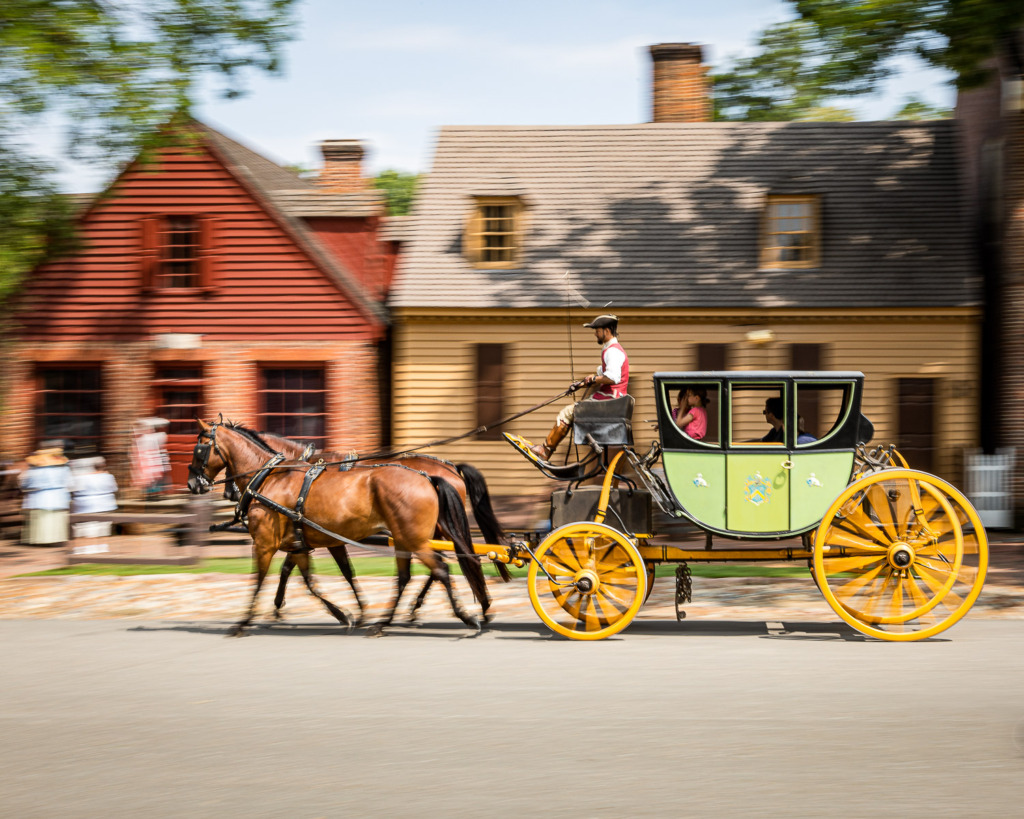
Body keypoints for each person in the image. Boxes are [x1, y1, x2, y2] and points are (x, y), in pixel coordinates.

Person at [528, 314, 629, 460]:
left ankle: (545, 450)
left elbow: (613, 378)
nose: (595, 333)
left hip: (609, 401)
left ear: (607, 331)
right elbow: (603, 374)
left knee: (567, 413)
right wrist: (583, 382)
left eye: (597, 330)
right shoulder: (612, 349)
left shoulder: (612, 351)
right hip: (612, 401)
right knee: (573, 411)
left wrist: (594, 378)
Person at [19, 442, 73, 546]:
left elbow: (26, 483)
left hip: (40, 497)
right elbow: (69, 482)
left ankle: (42, 540)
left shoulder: (35, 468)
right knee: (56, 519)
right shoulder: (63, 467)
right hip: (58, 496)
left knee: (43, 520)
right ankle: (56, 539)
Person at [70, 457, 118, 545]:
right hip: (104, 506)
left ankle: (86, 550)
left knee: (86, 531)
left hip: (85, 506)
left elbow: (74, 489)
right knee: (103, 531)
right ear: (104, 466)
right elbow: (114, 488)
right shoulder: (108, 476)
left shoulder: (82, 477)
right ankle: (101, 550)